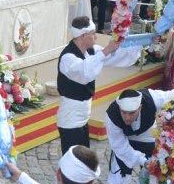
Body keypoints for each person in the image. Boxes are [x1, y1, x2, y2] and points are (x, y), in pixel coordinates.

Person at [54, 16, 136, 155]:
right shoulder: (68, 58)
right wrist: (105, 51)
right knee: (74, 159)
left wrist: (134, 44)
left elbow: (114, 57)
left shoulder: (92, 50)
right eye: (93, 33)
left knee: (84, 156)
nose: (96, 37)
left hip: (84, 115)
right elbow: (85, 73)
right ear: (83, 35)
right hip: (70, 116)